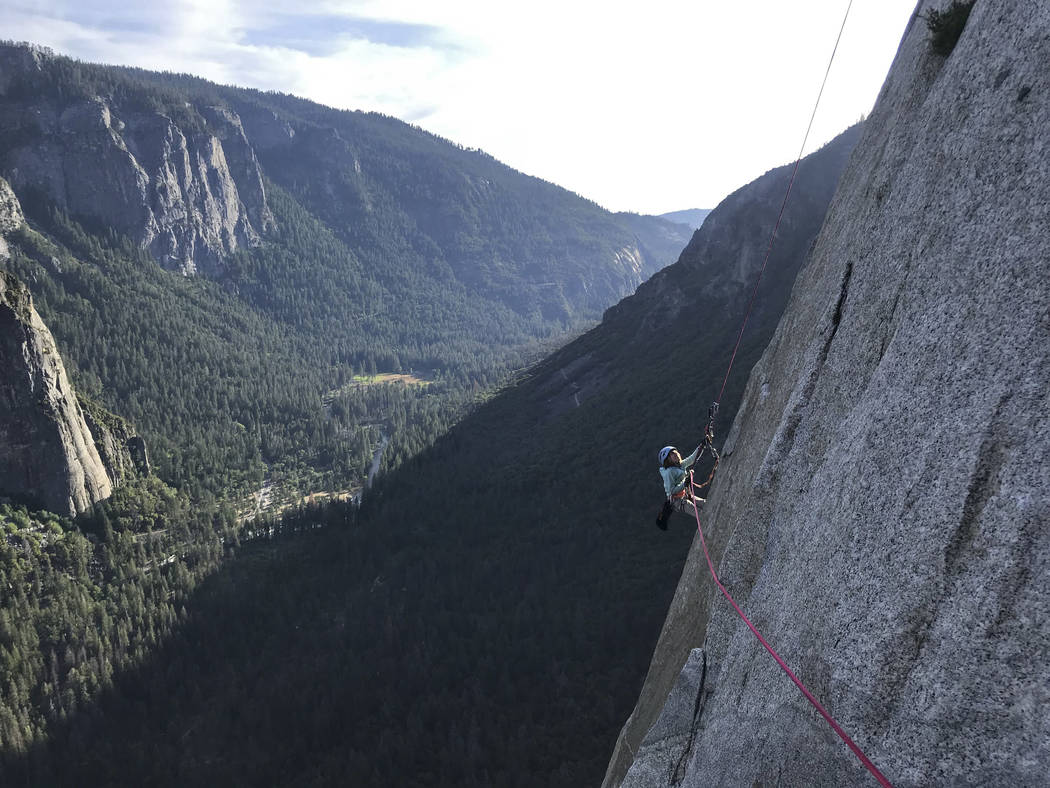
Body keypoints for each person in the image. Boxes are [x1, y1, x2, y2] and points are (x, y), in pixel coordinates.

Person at [658, 445, 705, 515]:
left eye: (675, 453)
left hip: (685, 495)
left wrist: (701, 446)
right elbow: (672, 491)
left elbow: (692, 459)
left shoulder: (680, 465)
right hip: (678, 500)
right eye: (672, 454)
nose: (676, 454)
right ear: (668, 460)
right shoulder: (669, 472)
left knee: (706, 504)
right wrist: (685, 483)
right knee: (700, 514)